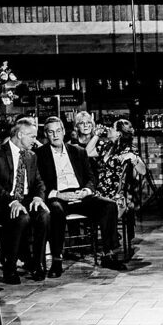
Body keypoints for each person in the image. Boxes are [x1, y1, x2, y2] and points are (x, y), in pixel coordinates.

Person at [35, 117, 126, 277]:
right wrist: (59, 194)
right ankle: (57, 260)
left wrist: (86, 191)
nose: (55, 135)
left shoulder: (78, 151)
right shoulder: (39, 155)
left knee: (109, 205)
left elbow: (91, 177)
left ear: (64, 132)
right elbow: (39, 182)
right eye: (51, 132)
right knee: (55, 210)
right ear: (46, 134)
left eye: (58, 131)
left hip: (80, 194)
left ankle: (108, 254)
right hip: (58, 196)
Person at [0, 118, 51, 284]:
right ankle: (10, 268)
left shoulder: (31, 156)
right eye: (32, 136)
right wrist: (12, 201)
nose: (35, 140)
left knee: (44, 215)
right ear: (20, 134)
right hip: (3, 202)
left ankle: (37, 264)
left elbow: (39, 182)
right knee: (22, 217)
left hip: (26, 200)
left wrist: (38, 197)